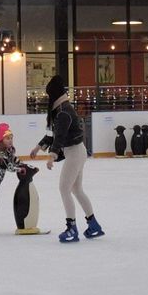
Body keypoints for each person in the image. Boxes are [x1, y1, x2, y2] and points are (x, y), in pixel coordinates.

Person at [30, 76, 103, 243]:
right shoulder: (60, 109)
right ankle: (93, 224)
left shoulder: (64, 112)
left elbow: (60, 137)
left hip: (75, 152)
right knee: (76, 190)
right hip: (76, 152)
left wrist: (52, 155)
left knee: (64, 189)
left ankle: (72, 228)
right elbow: (52, 134)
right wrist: (38, 147)